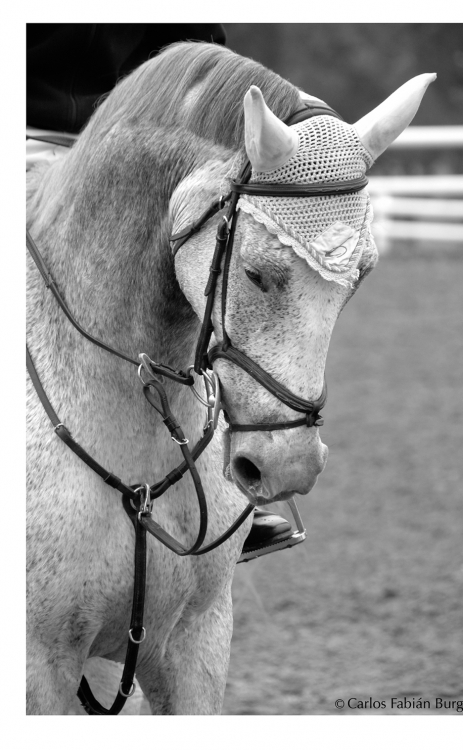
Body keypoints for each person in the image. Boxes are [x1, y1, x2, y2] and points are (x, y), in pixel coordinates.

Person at [27, 23, 297, 561]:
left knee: (207, 276)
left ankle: (224, 487)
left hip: (144, 153)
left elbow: (202, 57)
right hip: (26, 136)